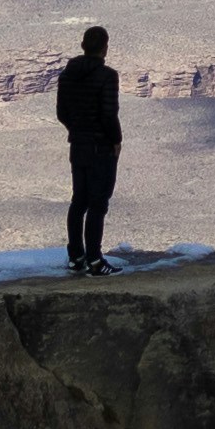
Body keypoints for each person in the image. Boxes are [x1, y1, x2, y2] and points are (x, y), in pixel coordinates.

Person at [56, 25, 121, 272]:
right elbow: (109, 114)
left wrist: (78, 130)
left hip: (78, 145)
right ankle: (95, 260)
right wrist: (115, 140)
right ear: (104, 48)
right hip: (100, 148)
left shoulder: (67, 74)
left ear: (83, 45)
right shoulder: (108, 76)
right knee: (98, 204)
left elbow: (62, 112)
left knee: (78, 202)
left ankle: (76, 258)